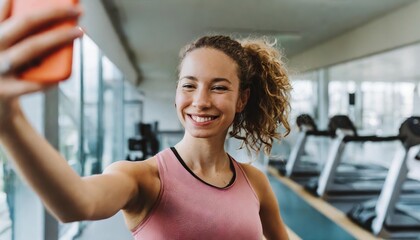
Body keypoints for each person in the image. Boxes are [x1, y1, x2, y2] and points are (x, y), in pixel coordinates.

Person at [0, 0, 292, 239]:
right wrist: (9, 120)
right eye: (189, 85)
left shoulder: (255, 183)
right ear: (177, 94)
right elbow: (77, 203)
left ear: (242, 99)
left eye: (219, 87)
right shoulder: (144, 179)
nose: (201, 101)